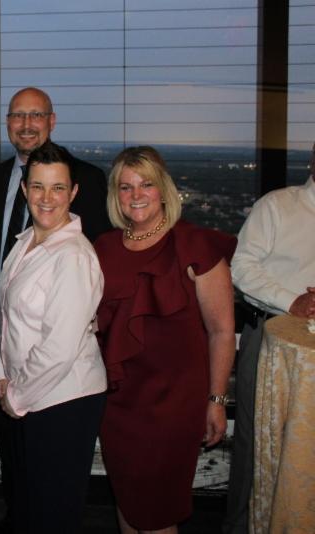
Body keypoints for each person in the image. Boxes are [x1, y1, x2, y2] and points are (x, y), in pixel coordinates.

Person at [0, 86, 111, 529]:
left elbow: (59, 347)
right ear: (24, 189)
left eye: (57, 188)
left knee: (52, 514)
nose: (46, 197)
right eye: (37, 186)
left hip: (62, 401)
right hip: (24, 394)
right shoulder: (24, 243)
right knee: (30, 506)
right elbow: (3, 314)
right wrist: (1, 373)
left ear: (73, 192)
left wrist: (15, 396)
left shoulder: (74, 255)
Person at [94, 146, 236, 533]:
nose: (136, 195)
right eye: (125, 187)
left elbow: (222, 331)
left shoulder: (195, 245)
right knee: (127, 503)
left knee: (157, 513)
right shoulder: (103, 248)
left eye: (146, 184)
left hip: (174, 405)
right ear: (115, 195)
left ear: (164, 190)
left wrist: (216, 401)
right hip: (118, 403)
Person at [223, 142, 315, 534]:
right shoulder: (277, 206)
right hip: (269, 340)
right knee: (257, 444)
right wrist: (292, 301)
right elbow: (241, 267)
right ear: (313, 160)